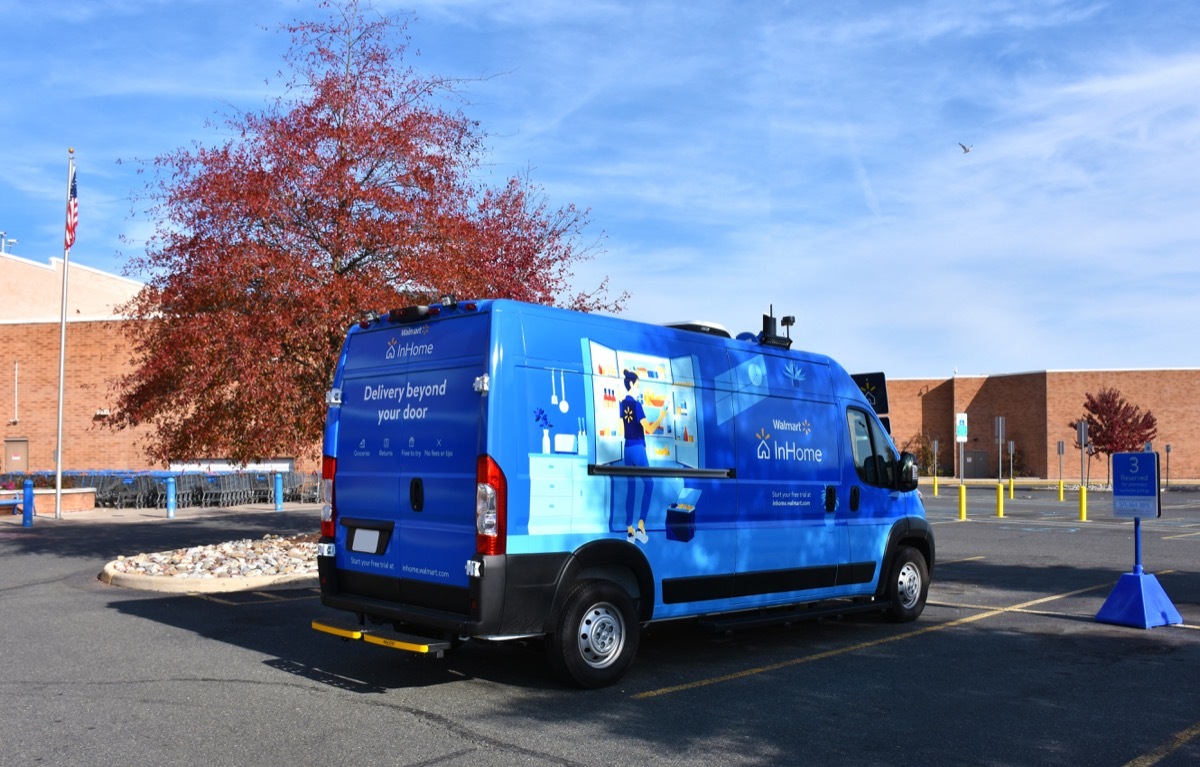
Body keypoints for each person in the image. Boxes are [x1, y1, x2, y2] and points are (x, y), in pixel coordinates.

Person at [620, 369, 667, 543]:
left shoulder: (622, 404)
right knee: (649, 483)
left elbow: (621, 428)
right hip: (638, 449)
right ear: (631, 384)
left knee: (631, 487)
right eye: (638, 385)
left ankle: (629, 530)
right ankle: (641, 525)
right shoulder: (637, 405)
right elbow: (650, 429)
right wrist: (661, 416)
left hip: (627, 448)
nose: (639, 389)